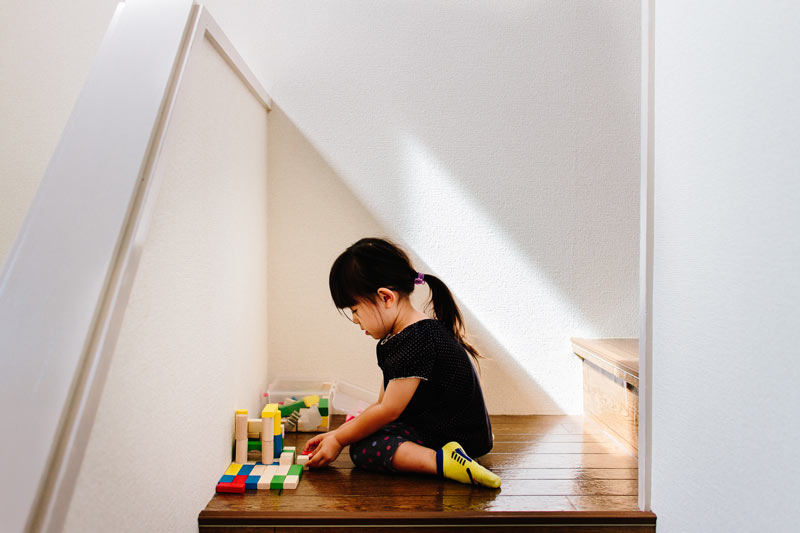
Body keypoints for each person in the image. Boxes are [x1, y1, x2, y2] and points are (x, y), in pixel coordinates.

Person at [302, 237, 501, 488]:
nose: (355, 320)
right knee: (360, 426)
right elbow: (383, 404)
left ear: (386, 297)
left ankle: (444, 461)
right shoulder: (404, 337)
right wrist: (335, 435)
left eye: (355, 310)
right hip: (455, 429)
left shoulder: (415, 340)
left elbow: (389, 411)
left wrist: (340, 440)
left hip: (457, 437)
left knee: (363, 447)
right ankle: (449, 454)